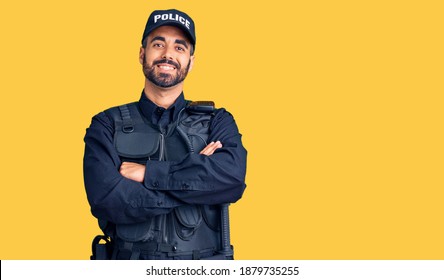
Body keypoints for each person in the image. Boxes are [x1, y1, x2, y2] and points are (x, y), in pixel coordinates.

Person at [83, 9, 247, 260]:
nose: (168, 54)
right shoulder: (106, 124)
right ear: (142, 54)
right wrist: (197, 182)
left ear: (190, 61)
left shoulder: (218, 121)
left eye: (179, 48)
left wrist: (149, 174)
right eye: (158, 44)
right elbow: (107, 200)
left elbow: (232, 180)